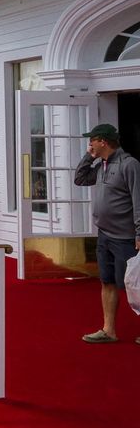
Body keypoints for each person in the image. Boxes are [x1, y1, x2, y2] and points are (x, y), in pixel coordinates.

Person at [73, 124, 140, 343]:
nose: (89, 144)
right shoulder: (101, 165)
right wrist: (88, 157)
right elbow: (80, 179)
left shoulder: (129, 165)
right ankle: (108, 330)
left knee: (135, 284)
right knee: (107, 282)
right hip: (105, 235)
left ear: (103, 141)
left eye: (92, 140)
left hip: (127, 238)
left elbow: (138, 201)